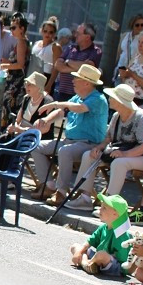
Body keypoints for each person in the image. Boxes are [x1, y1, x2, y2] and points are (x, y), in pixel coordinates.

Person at [66, 83, 143, 212]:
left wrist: (124, 154)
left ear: (120, 101)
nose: (109, 99)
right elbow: (108, 138)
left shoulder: (141, 117)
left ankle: (109, 206)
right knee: (88, 155)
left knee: (119, 163)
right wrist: (99, 147)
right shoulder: (116, 116)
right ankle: (85, 198)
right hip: (119, 153)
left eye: (112, 97)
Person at [30, 64, 109, 206]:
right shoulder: (77, 97)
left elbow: (79, 109)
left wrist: (55, 104)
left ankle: (61, 192)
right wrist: (46, 120)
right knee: (35, 146)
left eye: (76, 79)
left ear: (86, 82)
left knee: (64, 152)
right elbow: (62, 111)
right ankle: (48, 185)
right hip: (69, 141)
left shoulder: (98, 99)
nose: (73, 81)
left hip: (88, 144)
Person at [69, 194, 133, 276]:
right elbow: (89, 241)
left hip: (115, 266)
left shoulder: (121, 235)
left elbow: (123, 260)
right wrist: (79, 252)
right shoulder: (103, 227)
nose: (100, 210)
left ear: (115, 214)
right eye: (101, 207)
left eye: (104, 208)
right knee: (75, 246)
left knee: (101, 254)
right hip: (97, 259)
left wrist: (94, 259)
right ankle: (88, 264)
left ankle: (87, 263)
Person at [52, 22, 101, 102]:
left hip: (80, 97)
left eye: (78, 33)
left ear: (87, 37)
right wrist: (79, 69)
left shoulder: (95, 51)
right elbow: (58, 65)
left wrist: (68, 62)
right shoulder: (70, 48)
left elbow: (89, 68)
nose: (75, 35)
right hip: (61, 93)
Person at [6, 71, 57, 140]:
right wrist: (13, 127)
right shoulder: (26, 98)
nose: (26, 86)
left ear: (39, 87)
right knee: (2, 140)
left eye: (30, 84)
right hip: (22, 136)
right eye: (26, 84)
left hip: (38, 139)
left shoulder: (48, 102)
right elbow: (18, 120)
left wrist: (21, 130)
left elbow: (44, 129)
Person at [116, 14, 143, 83]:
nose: (140, 27)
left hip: (134, 72)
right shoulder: (125, 35)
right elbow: (119, 53)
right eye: (137, 25)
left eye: (142, 25)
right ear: (132, 25)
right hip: (121, 68)